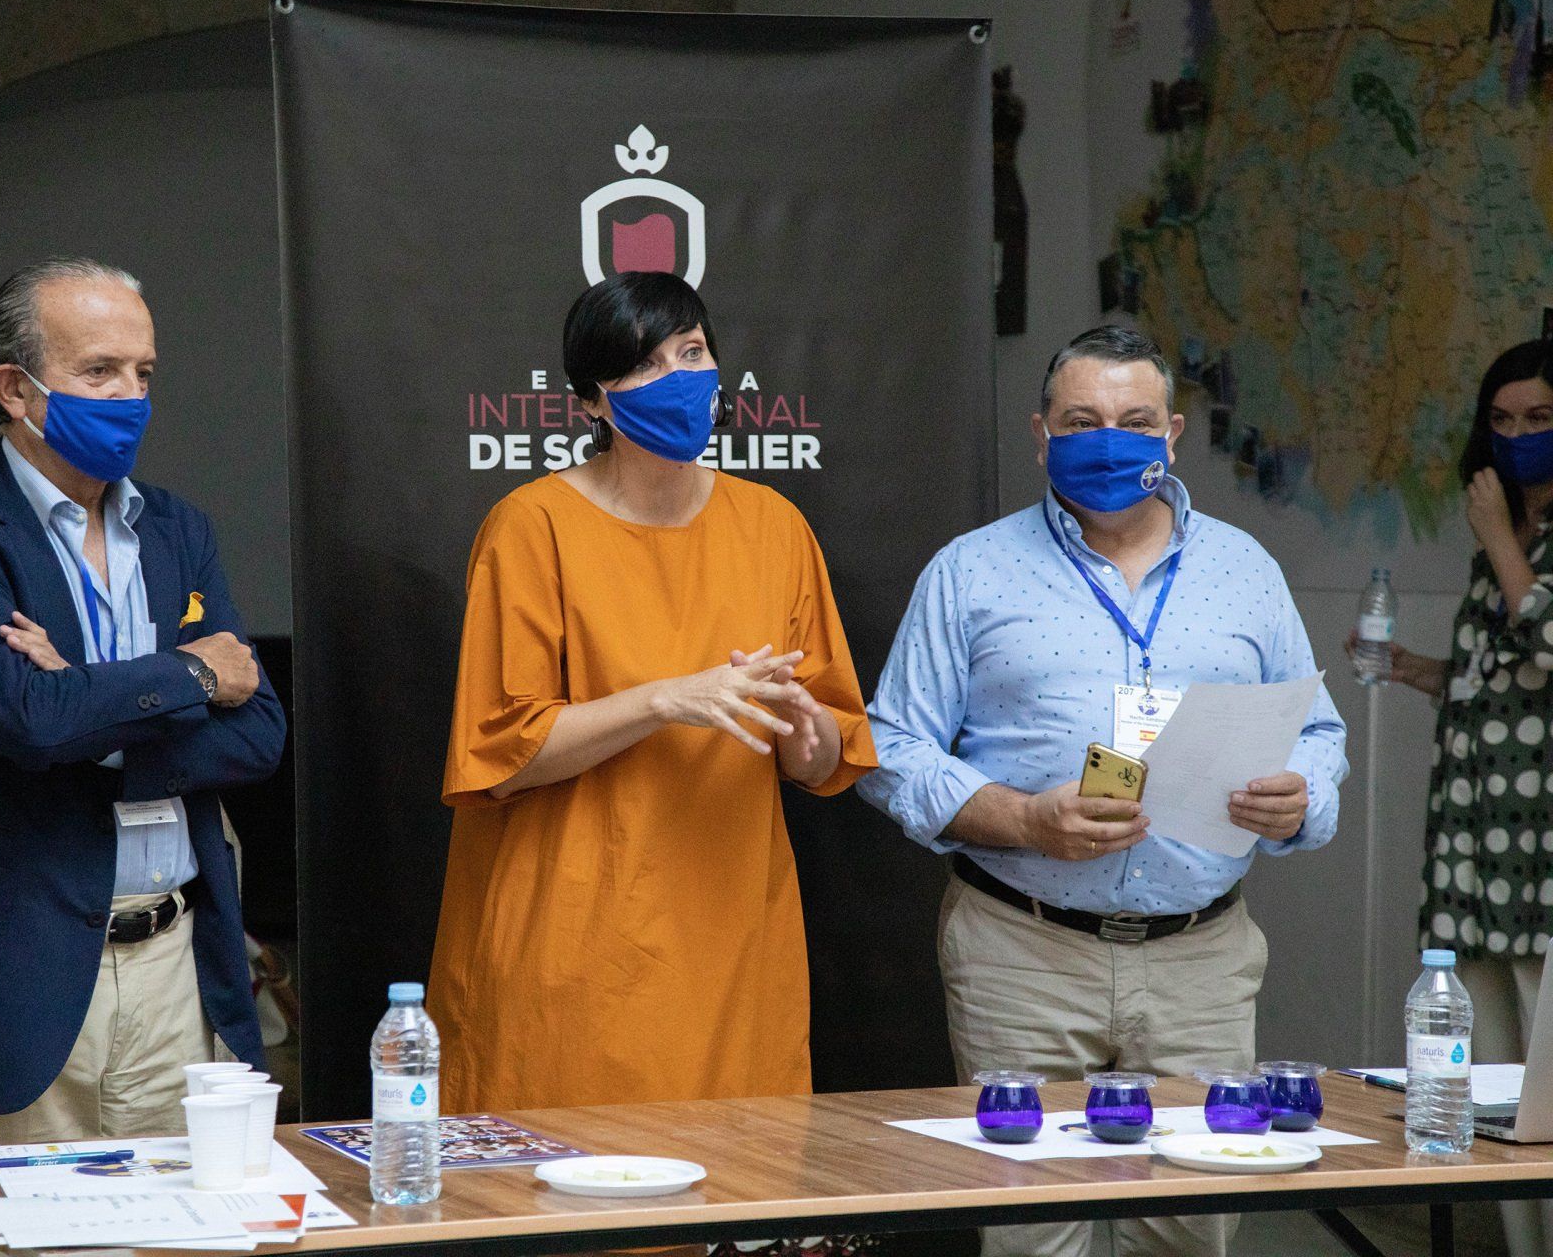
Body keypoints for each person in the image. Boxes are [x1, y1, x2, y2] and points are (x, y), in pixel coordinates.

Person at [860, 325, 1347, 1257]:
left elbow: (1317, 732)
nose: (1110, 440)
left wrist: (1301, 801)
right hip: (1022, 954)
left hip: (1201, 962)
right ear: (1041, 433)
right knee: (1033, 1236)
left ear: (1172, 436)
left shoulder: (1245, 569)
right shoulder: (970, 569)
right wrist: (1020, 819)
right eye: (1082, 421)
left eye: (1135, 421)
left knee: (1189, 1231)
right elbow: (889, 745)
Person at [0, 257, 287, 1147]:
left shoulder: (179, 529)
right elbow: (30, 723)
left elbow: (260, 733)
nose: (131, 397)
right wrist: (191, 676)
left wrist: (85, 700)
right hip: (11, 977)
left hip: (178, 974)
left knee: (186, 1221)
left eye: (144, 373)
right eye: (99, 371)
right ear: (15, 389)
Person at [427, 272, 877, 1123]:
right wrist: (667, 699)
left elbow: (822, 762)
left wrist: (806, 723)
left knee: (740, 1172)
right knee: (569, 1179)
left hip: (731, 940)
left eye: (693, 353)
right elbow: (502, 756)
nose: (680, 379)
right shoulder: (532, 527)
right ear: (591, 402)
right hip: (574, 940)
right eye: (645, 364)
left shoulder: (774, 527)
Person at [1351, 339, 1553, 1257]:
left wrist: (1501, 540)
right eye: (1502, 420)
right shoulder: (1501, 534)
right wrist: (1411, 669)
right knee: (1486, 1083)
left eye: (1539, 418)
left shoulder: (1505, 536)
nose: (1518, 435)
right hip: (1472, 858)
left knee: (1546, 1084)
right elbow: (1498, 680)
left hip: (1538, 859)